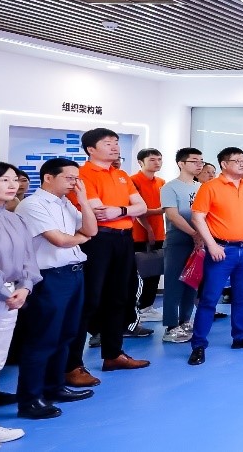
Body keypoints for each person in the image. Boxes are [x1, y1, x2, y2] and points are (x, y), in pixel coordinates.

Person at [64, 129, 150, 387]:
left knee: (119, 297)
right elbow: (98, 211)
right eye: (107, 143)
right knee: (89, 300)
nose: (115, 147)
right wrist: (125, 211)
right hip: (97, 239)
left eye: (116, 142)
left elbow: (142, 207)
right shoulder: (82, 174)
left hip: (124, 239)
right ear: (91, 149)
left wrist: (120, 210)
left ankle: (113, 355)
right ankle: (72, 365)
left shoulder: (121, 175)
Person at [14, 158, 98, 420]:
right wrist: (81, 238)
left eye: (77, 178)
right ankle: (30, 399)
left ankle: (54, 387)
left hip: (73, 274)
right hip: (49, 277)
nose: (74, 183)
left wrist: (83, 201)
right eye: (69, 178)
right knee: (43, 337)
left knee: (66, 334)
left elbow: (91, 230)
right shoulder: (33, 205)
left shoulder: (66, 203)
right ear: (48, 177)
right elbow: (59, 240)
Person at [0, 160, 40, 450]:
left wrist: (25, 287)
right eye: (4, 180)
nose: (13, 185)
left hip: (12, 296)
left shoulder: (15, 219)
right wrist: (5, 292)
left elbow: (29, 259)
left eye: (14, 179)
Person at [187, 147, 243, 365]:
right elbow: (197, 217)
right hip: (222, 250)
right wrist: (211, 245)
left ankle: (241, 336)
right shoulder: (210, 187)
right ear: (224, 164)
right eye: (237, 160)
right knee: (210, 298)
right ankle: (199, 345)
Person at [159, 149, 203, 343]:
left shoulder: (201, 187)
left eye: (201, 161)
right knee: (174, 283)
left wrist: (202, 236)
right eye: (194, 161)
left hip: (199, 240)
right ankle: (171, 326)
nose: (199, 164)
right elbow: (173, 215)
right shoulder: (170, 187)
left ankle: (185, 321)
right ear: (181, 164)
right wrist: (194, 233)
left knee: (192, 282)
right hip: (178, 239)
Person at [129, 149, 166, 324]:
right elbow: (137, 210)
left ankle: (147, 307)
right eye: (152, 160)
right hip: (139, 235)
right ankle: (138, 308)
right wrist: (149, 229)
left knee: (155, 271)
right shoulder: (133, 181)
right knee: (140, 273)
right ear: (140, 162)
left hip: (159, 233)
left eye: (159, 159)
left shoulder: (161, 182)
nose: (157, 163)